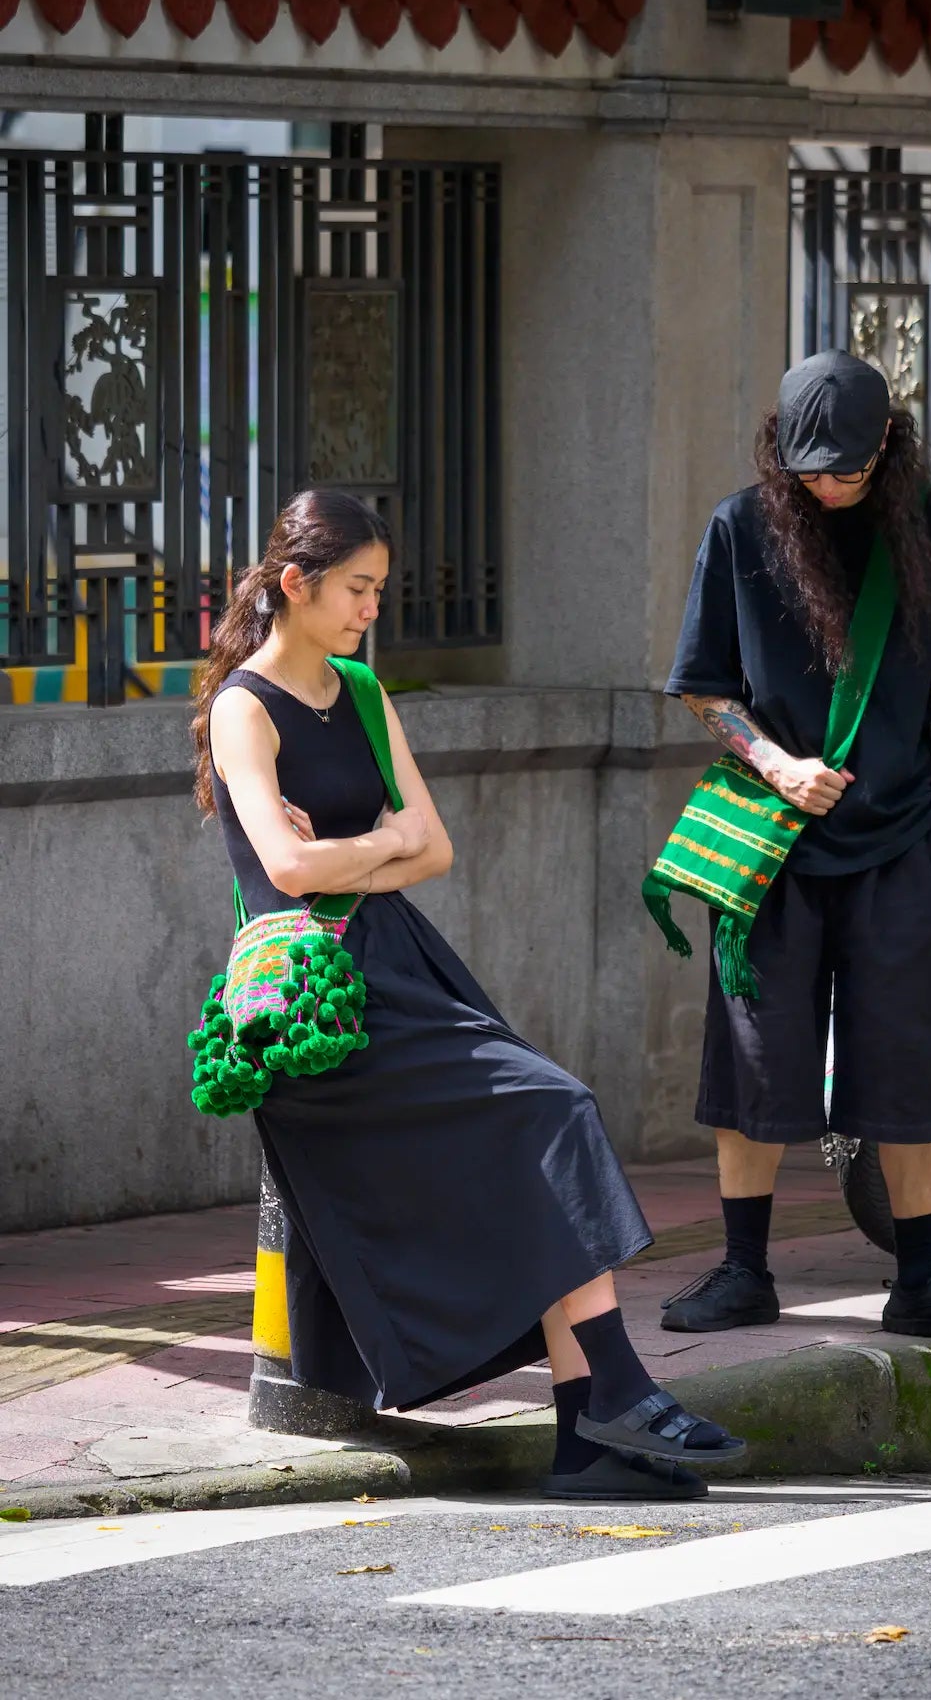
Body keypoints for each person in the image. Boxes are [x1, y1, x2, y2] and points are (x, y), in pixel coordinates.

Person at [192, 488, 744, 1500]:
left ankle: (590, 1435)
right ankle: (609, 1398)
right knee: (552, 1109)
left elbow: (434, 847)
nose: (370, 610)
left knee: (544, 1127)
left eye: (379, 590)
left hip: (403, 970)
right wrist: (380, 847)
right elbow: (284, 865)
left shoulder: (362, 693)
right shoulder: (242, 707)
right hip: (317, 1012)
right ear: (293, 584)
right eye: (357, 589)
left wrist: (356, 853)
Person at [659, 350, 931, 1341]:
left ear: (886, 449)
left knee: (916, 1062)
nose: (824, 484)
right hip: (770, 840)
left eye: (845, 467)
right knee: (753, 1059)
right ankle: (742, 1273)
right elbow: (704, 683)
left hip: (905, 837)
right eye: (806, 466)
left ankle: (922, 1283)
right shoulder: (741, 528)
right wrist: (777, 765)